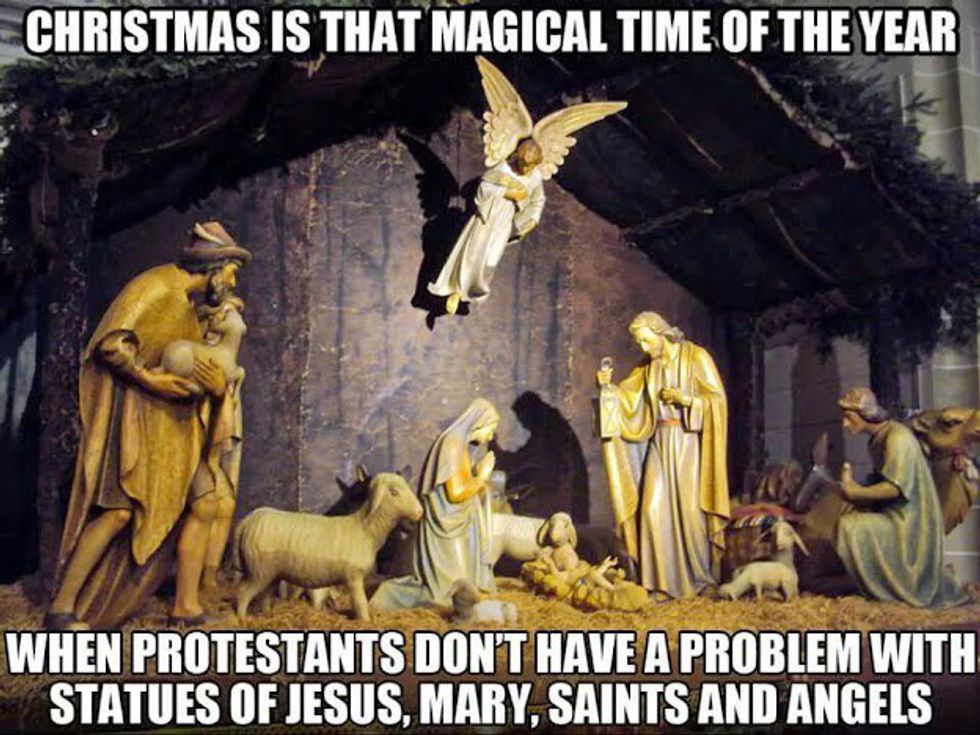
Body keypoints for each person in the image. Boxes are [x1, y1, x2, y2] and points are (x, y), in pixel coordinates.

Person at [46, 221, 250, 629]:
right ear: (213, 269)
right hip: (135, 425)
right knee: (118, 513)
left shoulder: (189, 308)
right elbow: (111, 343)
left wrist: (213, 390)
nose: (232, 282)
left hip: (175, 430)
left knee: (205, 503)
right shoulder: (156, 287)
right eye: (231, 272)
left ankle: (185, 606)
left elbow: (194, 371)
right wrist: (152, 380)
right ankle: (61, 609)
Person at [597, 312, 730, 599]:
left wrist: (688, 400)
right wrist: (607, 388)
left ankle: (700, 581)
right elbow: (626, 399)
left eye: (645, 340)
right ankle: (659, 584)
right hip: (659, 440)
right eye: (639, 343)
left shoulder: (696, 357)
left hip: (687, 442)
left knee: (690, 512)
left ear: (660, 333)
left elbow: (718, 401)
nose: (643, 348)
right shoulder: (648, 367)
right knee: (651, 510)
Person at [835, 387, 966, 608]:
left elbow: (894, 488)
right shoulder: (878, 438)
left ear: (866, 414)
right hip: (893, 513)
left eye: (849, 417)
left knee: (849, 527)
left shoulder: (897, 438)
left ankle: (889, 591)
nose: (845, 424)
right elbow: (882, 480)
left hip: (909, 525)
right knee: (848, 514)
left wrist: (857, 492)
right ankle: (877, 587)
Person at [371, 398, 500, 610]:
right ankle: (388, 596)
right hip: (446, 526)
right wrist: (482, 477)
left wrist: (475, 475)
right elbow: (455, 493)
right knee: (445, 592)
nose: (491, 436)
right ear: (480, 422)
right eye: (492, 428)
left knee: (461, 585)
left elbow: (461, 483)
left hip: (457, 523)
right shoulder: (452, 443)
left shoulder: (461, 444)